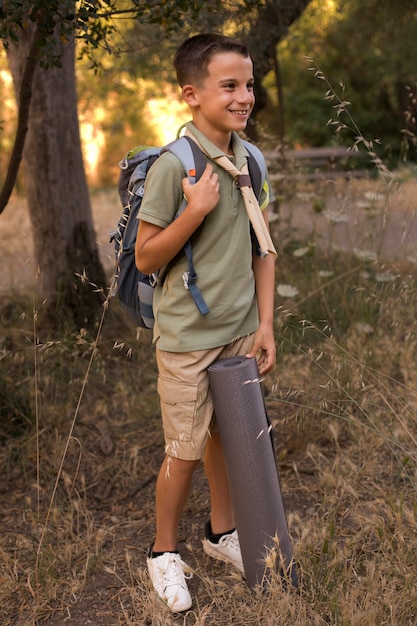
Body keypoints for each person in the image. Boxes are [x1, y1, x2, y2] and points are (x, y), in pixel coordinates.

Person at [135, 33, 277, 613]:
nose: (244, 96)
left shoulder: (252, 157)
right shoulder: (175, 165)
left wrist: (265, 325)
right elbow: (146, 257)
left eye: (248, 85)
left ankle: (222, 535)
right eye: (229, 86)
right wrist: (193, 211)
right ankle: (162, 553)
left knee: (228, 436)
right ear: (191, 94)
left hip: (240, 330)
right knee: (186, 449)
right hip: (188, 339)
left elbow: (264, 249)